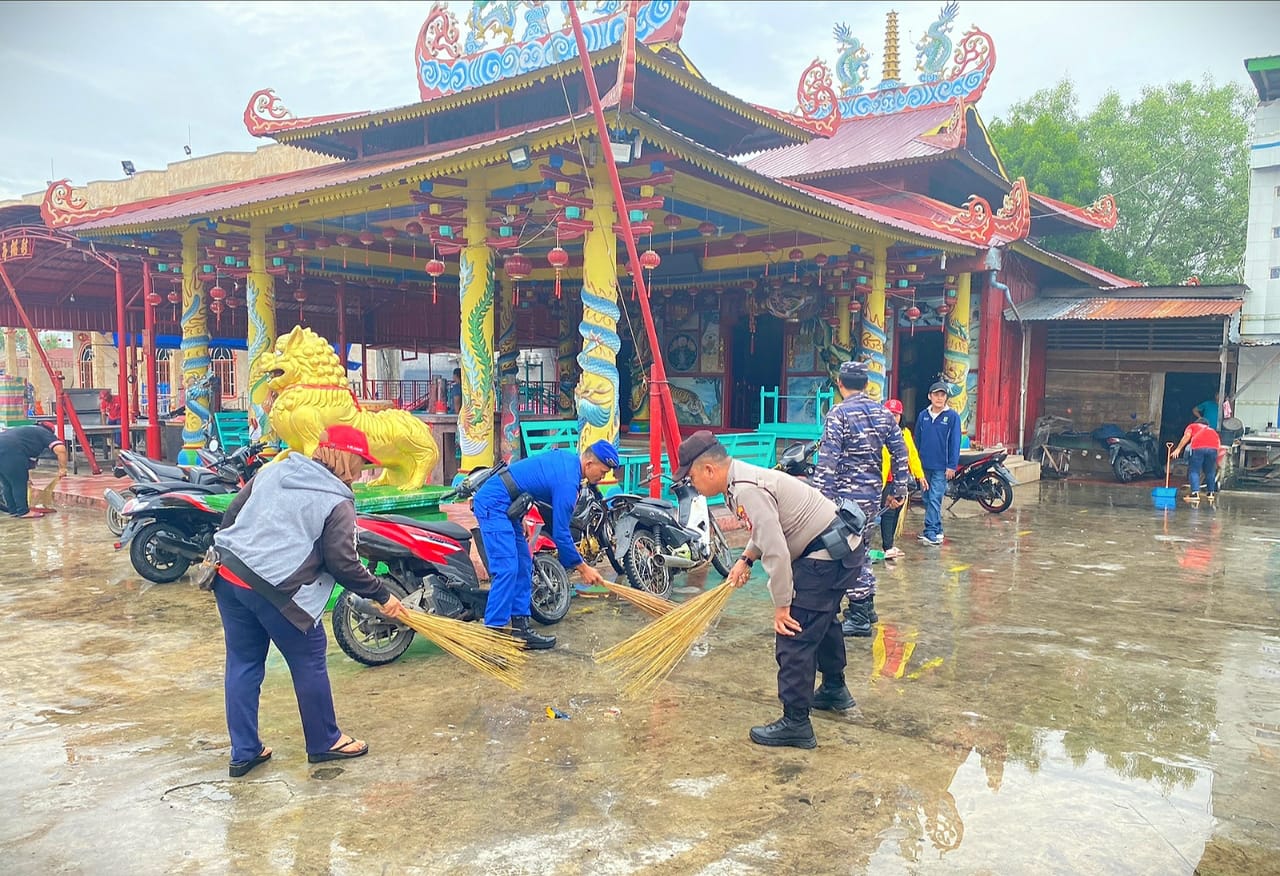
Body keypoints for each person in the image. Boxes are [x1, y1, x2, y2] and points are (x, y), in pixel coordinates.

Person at [210, 424, 407, 778]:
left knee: (242, 662)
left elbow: (232, 516)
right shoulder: (337, 500)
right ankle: (324, 741)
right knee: (309, 658)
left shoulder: (275, 470)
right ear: (344, 457)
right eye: (360, 462)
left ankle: (245, 751)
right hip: (276, 590)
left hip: (229, 573)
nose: (362, 471)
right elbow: (343, 563)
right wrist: (382, 594)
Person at [678, 430, 863, 749]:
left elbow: (776, 549)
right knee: (823, 620)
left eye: (691, 477)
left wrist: (782, 605)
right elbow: (765, 529)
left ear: (709, 469)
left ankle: (796, 723)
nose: (692, 485)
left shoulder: (746, 488)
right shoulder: (739, 481)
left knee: (794, 634)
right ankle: (834, 688)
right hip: (840, 550)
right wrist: (746, 559)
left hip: (825, 556)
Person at [471, 440, 614, 649]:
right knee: (507, 569)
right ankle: (493, 638)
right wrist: (583, 568)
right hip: (493, 503)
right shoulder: (568, 482)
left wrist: (521, 516)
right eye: (602, 472)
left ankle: (521, 630)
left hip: (510, 507)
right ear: (590, 463)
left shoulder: (569, 462)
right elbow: (561, 533)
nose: (601, 478)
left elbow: (530, 481)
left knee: (524, 564)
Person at [812, 360, 909, 637]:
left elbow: (827, 461)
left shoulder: (838, 414)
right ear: (867, 385)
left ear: (840, 385)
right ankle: (867, 607)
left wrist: (820, 500)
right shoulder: (883, 414)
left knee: (848, 553)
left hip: (844, 498)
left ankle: (859, 615)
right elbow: (900, 452)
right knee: (862, 546)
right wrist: (899, 489)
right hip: (871, 495)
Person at [916, 381, 961, 546]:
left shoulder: (952, 417)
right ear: (930, 396)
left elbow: (955, 443)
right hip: (924, 465)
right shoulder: (923, 416)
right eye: (936, 395)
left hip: (942, 467)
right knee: (927, 498)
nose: (939, 398)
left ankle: (930, 531)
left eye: (942, 395)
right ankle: (938, 529)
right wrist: (916, 466)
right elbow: (917, 441)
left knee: (935, 498)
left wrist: (952, 465)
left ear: (946, 398)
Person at [879, 399, 925, 561]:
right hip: (884, 478)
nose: (893, 417)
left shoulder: (904, 433)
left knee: (897, 510)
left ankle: (890, 545)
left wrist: (920, 474)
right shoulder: (877, 431)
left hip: (900, 478)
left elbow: (912, 455)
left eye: (896, 414)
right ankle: (887, 546)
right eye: (890, 414)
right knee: (888, 512)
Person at [0, 421, 68, 519]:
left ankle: (14, 510)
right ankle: (23, 512)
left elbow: (28, 462)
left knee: (7, 483)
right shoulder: (44, 432)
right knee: (18, 482)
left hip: (5, 448)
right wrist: (62, 468)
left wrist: (28, 477)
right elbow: (60, 449)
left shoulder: (26, 432)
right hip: (11, 451)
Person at [1171, 416, 1221, 505]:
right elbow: (1219, 444)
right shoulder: (1212, 430)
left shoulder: (1192, 426)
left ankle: (1195, 494)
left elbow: (1187, 436)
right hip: (1213, 449)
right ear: (1207, 425)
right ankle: (1211, 493)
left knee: (1194, 470)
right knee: (1210, 471)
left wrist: (1178, 449)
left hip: (1198, 447)